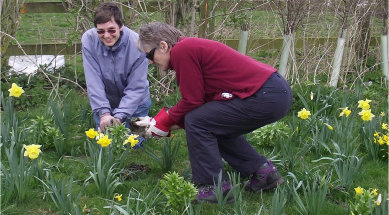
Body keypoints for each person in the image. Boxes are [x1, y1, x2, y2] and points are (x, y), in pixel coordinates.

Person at [136, 22, 292, 203]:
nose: (149, 61)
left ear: (163, 46)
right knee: (208, 122)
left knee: (198, 120)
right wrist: (162, 124)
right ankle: (263, 173)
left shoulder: (182, 50)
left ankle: (213, 187)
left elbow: (191, 101)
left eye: (149, 54)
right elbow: (201, 103)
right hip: (273, 93)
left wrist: (162, 121)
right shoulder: (189, 48)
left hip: (265, 94)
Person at [81, 2, 151, 139]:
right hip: (105, 103)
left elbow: (136, 87)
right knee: (106, 148)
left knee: (133, 147)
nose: (106, 35)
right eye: (100, 31)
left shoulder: (138, 45)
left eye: (111, 30)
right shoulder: (89, 40)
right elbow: (93, 80)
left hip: (136, 105)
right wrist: (104, 114)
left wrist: (119, 117)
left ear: (121, 26)